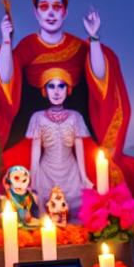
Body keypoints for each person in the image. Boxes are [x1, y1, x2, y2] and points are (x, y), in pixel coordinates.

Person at [0, 0, 134, 203]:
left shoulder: (77, 46)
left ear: (65, 12)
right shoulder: (28, 46)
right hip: (32, 135)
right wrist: (5, 41)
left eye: (56, 7)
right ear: (35, 12)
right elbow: (5, 79)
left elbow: (100, 77)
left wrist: (94, 38)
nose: (50, 13)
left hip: (74, 133)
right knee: (11, 170)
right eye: (44, 7)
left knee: (102, 172)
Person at [27, 68, 93, 213]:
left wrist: (84, 176)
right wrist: (32, 176)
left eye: (61, 86)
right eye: (51, 86)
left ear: (67, 89)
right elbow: (36, 148)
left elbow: (79, 147)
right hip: (46, 173)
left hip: (71, 173)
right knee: (45, 211)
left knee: (74, 211)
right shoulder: (37, 118)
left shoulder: (75, 117)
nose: (56, 92)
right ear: (45, 90)